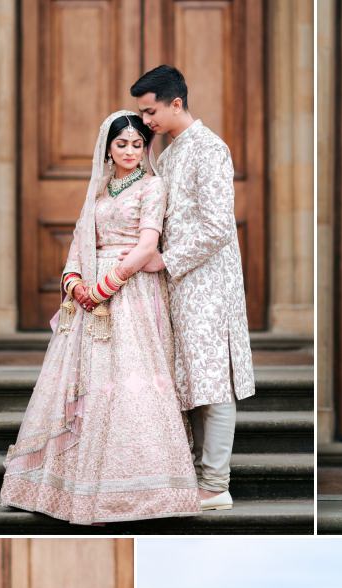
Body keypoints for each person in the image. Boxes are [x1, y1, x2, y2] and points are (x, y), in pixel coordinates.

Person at [0, 111, 200, 525]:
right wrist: (74, 282)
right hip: (89, 298)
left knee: (129, 382)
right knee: (85, 384)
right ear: (108, 147)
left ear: (146, 148)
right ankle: (66, 489)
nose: (129, 151)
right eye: (122, 144)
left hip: (131, 293)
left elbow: (148, 244)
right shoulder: (99, 190)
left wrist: (107, 285)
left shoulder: (152, 187)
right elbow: (79, 241)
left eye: (137, 144)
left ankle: (133, 492)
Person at [132, 65, 255, 511]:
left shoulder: (209, 147)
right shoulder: (168, 155)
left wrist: (170, 258)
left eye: (150, 112)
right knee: (186, 380)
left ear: (176, 103)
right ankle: (192, 476)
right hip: (176, 286)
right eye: (142, 114)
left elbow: (219, 224)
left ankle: (216, 483)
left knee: (212, 380)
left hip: (208, 283)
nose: (146, 122)